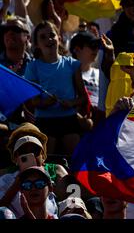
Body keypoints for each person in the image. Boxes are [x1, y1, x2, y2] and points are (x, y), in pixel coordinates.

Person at [24, 21, 88, 156]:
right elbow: (33, 102)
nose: (49, 39)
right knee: (48, 161)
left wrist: (71, 103)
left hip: (69, 119)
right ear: (36, 44)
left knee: (73, 160)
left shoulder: (72, 64)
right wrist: (45, 103)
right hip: (45, 121)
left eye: (52, 35)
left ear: (59, 38)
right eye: (42, 37)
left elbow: (82, 98)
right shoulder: (33, 67)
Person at [0, 122, 68, 218]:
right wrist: (16, 185)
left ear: (43, 155)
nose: (30, 155)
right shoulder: (5, 177)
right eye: (23, 151)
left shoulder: (57, 170)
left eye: (34, 151)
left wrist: (55, 190)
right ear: (15, 157)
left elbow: (74, 195)